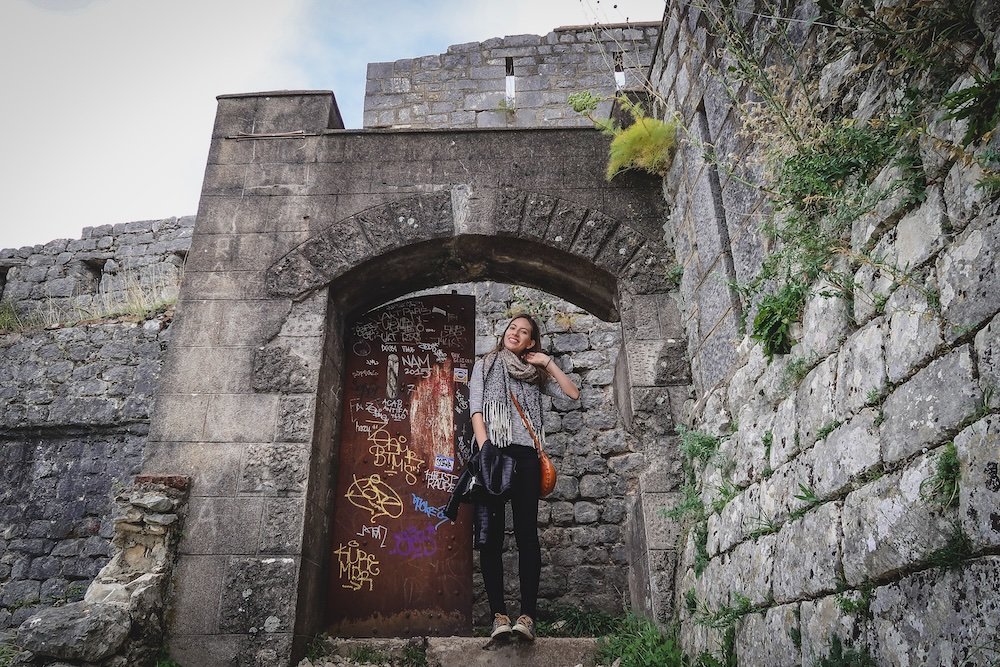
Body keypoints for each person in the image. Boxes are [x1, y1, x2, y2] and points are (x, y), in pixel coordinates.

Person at [468, 313, 580, 642]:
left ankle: (527, 617)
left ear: (531, 342)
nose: (515, 333)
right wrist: (486, 447)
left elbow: (573, 394)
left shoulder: (534, 373)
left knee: (527, 538)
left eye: (524, 332)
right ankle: (499, 617)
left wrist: (548, 363)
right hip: (494, 454)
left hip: (528, 458)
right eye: (512, 328)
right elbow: (476, 408)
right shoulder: (486, 365)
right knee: (491, 539)